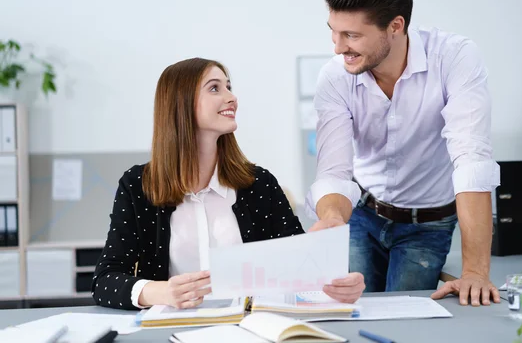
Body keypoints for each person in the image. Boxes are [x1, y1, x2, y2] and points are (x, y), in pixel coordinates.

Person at [92, 58, 365, 310]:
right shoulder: (138, 186)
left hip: (250, 329)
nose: (231, 97)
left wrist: (338, 285)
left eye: (229, 87)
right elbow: (104, 281)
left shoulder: (260, 185)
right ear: (181, 103)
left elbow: (302, 271)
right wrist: (161, 293)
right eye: (214, 88)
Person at [305, 0, 501, 307]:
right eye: (334, 31)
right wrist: (333, 219)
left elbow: (471, 161)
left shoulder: (454, 58)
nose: (337, 47)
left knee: (406, 315)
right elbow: (334, 171)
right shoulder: (335, 77)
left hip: (428, 224)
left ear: (396, 26)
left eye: (351, 35)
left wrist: (474, 271)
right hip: (363, 214)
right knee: (348, 309)